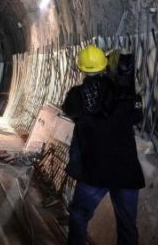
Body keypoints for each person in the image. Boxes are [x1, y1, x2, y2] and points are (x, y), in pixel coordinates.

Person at [61, 45, 144, 245]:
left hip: (95, 171)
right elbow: (137, 116)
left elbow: (69, 111)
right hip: (126, 171)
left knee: (79, 215)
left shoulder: (76, 95)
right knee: (127, 226)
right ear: (106, 65)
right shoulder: (123, 94)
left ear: (80, 69)